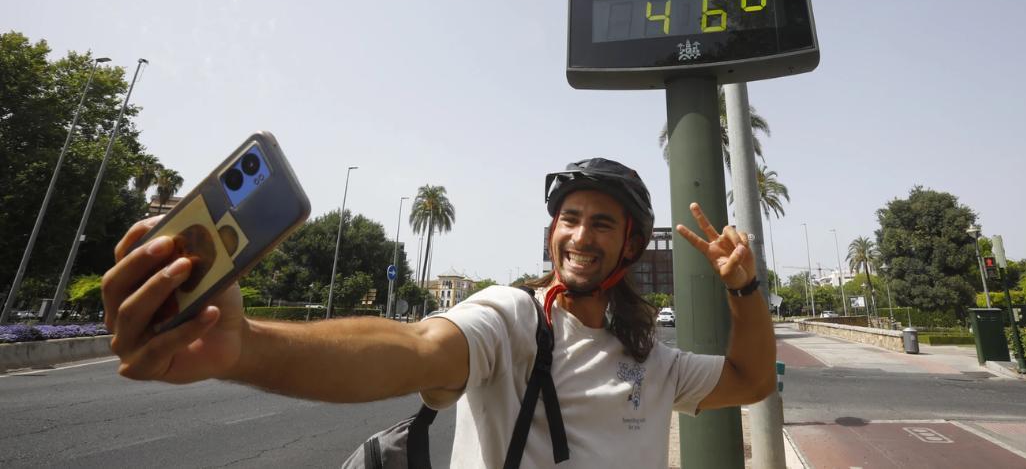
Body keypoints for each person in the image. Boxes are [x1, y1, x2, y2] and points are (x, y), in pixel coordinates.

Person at [101, 157, 775, 467]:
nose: (580, 235)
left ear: (629, 243)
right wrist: (246, 347)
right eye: (569, 218)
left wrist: (744, 290)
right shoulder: (514, 319)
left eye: (602, 223)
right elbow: (415, 349)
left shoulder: (651, 358)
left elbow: (751, 378)